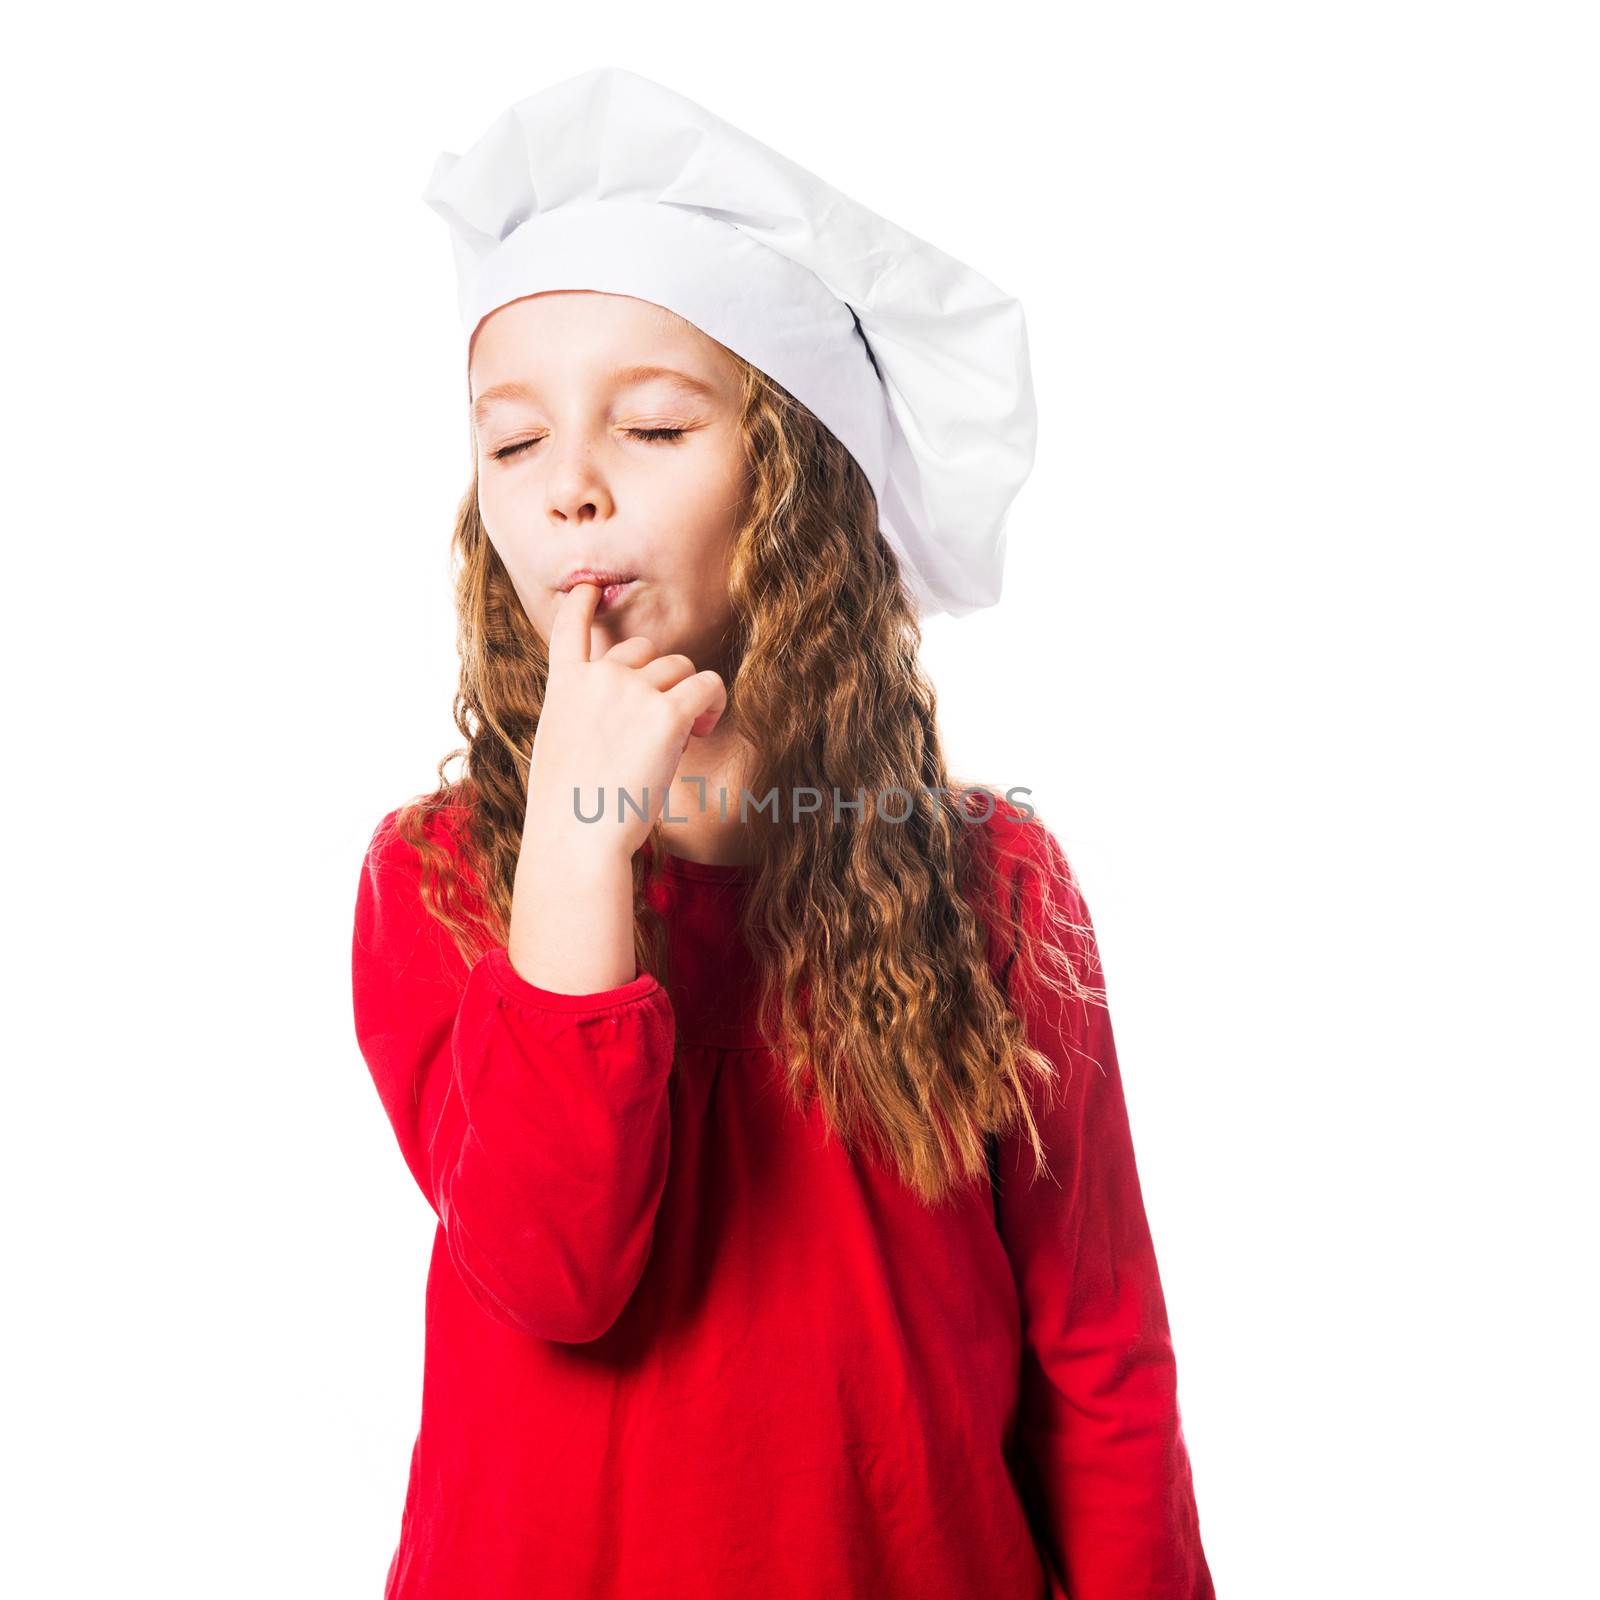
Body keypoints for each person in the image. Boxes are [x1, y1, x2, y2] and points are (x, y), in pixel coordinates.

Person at [351, 67, 1214, 1599]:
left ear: (795, 482)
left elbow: (1102, 1366)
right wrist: (573, 845)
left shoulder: (999, 890)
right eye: (514, 441)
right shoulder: (437, 884)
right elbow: (558, 1273)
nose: (571, 493)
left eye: (656, 427)